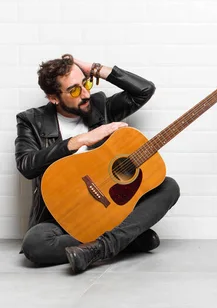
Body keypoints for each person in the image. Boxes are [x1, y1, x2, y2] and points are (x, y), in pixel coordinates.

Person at [14, 54, 180, 273]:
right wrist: (80, 140)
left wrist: (94, 68)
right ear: (53, 97)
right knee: (35, 244)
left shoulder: (101, 107)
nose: (85, 94)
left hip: (106, 211)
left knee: (169, 186)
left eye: (86, 83)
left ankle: (99, 247)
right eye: (74, 90)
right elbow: (26, 164)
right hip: (61, 215)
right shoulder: (30, 120)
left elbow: (144, 90)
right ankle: (125, 238)